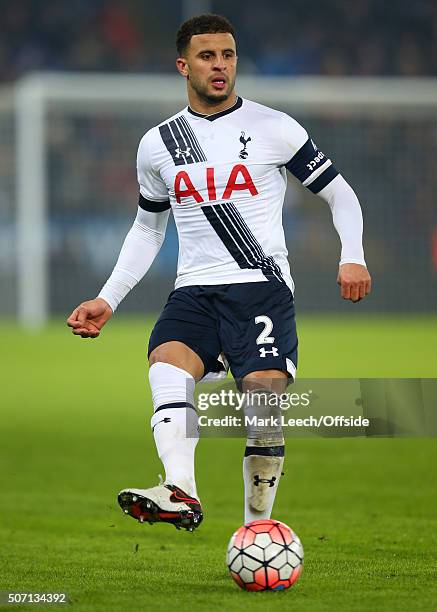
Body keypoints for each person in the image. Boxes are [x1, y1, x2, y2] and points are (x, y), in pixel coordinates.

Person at [67, 14, 371, 532]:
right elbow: (147, 230)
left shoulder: (274, 127)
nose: (220, 66)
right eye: (208, 57)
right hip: (194, 292)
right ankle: (181, 490)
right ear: (183, 65)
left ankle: (258, 527)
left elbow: (339, 193)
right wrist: (108, 298)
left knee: (262, 405)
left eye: (228, 56)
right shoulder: (159, 143)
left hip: (260, 289)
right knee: (166, 365)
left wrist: (354, 254)